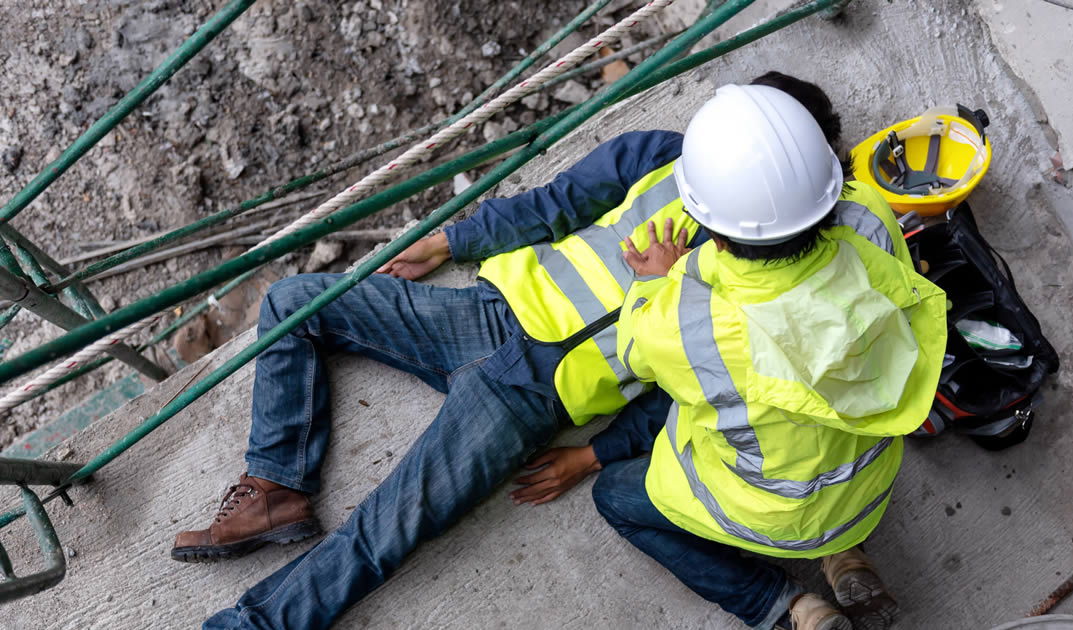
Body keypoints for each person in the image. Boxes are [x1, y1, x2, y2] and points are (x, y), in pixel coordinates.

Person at [171, 72, 937, 630]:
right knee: (292, 305)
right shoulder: (657, 159)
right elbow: (557, 203)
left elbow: (697, 412)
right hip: (489, 311)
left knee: (384, 531)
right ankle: (277, 486)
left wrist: (593, 456)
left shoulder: (732, 311)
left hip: (530, 400)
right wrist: (457, 238)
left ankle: (252, 627)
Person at [518, 78, 948, 630]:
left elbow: (633, 351)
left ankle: (792, 610)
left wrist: (657, 280)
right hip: (868, 482)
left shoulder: (684, 317)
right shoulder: (871, 216)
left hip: (773, 513)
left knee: (616, 499)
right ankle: (841, 555)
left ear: (709, 230)